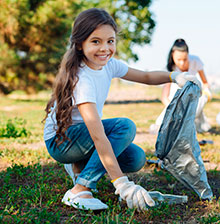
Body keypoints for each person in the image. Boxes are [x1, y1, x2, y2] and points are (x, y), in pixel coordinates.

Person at [43, 9, 201, 211]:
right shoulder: (82, 79)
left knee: (136, 158)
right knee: (124, 127)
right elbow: (98, 136)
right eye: (95, 41)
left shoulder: (109, 65)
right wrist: (122, 184)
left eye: (110, 41)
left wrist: (173, 76)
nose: (105, 48)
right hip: (61, 142)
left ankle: (80, 166)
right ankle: (80, 188)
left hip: (81, 138)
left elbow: (145, 77)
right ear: (80, 44)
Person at [154, 39, 212, 133]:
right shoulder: (169, 69)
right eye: (178, 60)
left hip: (193, 99)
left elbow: (205, 83)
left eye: (185, 59)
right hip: (176, 101)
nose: (182, 63)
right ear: (172, 56)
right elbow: (164, 97)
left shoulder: (195, 61)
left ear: (188, 55)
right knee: (161, 126)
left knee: (200, 95)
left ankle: (187, 122)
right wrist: (175, 109)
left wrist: (206, 93)